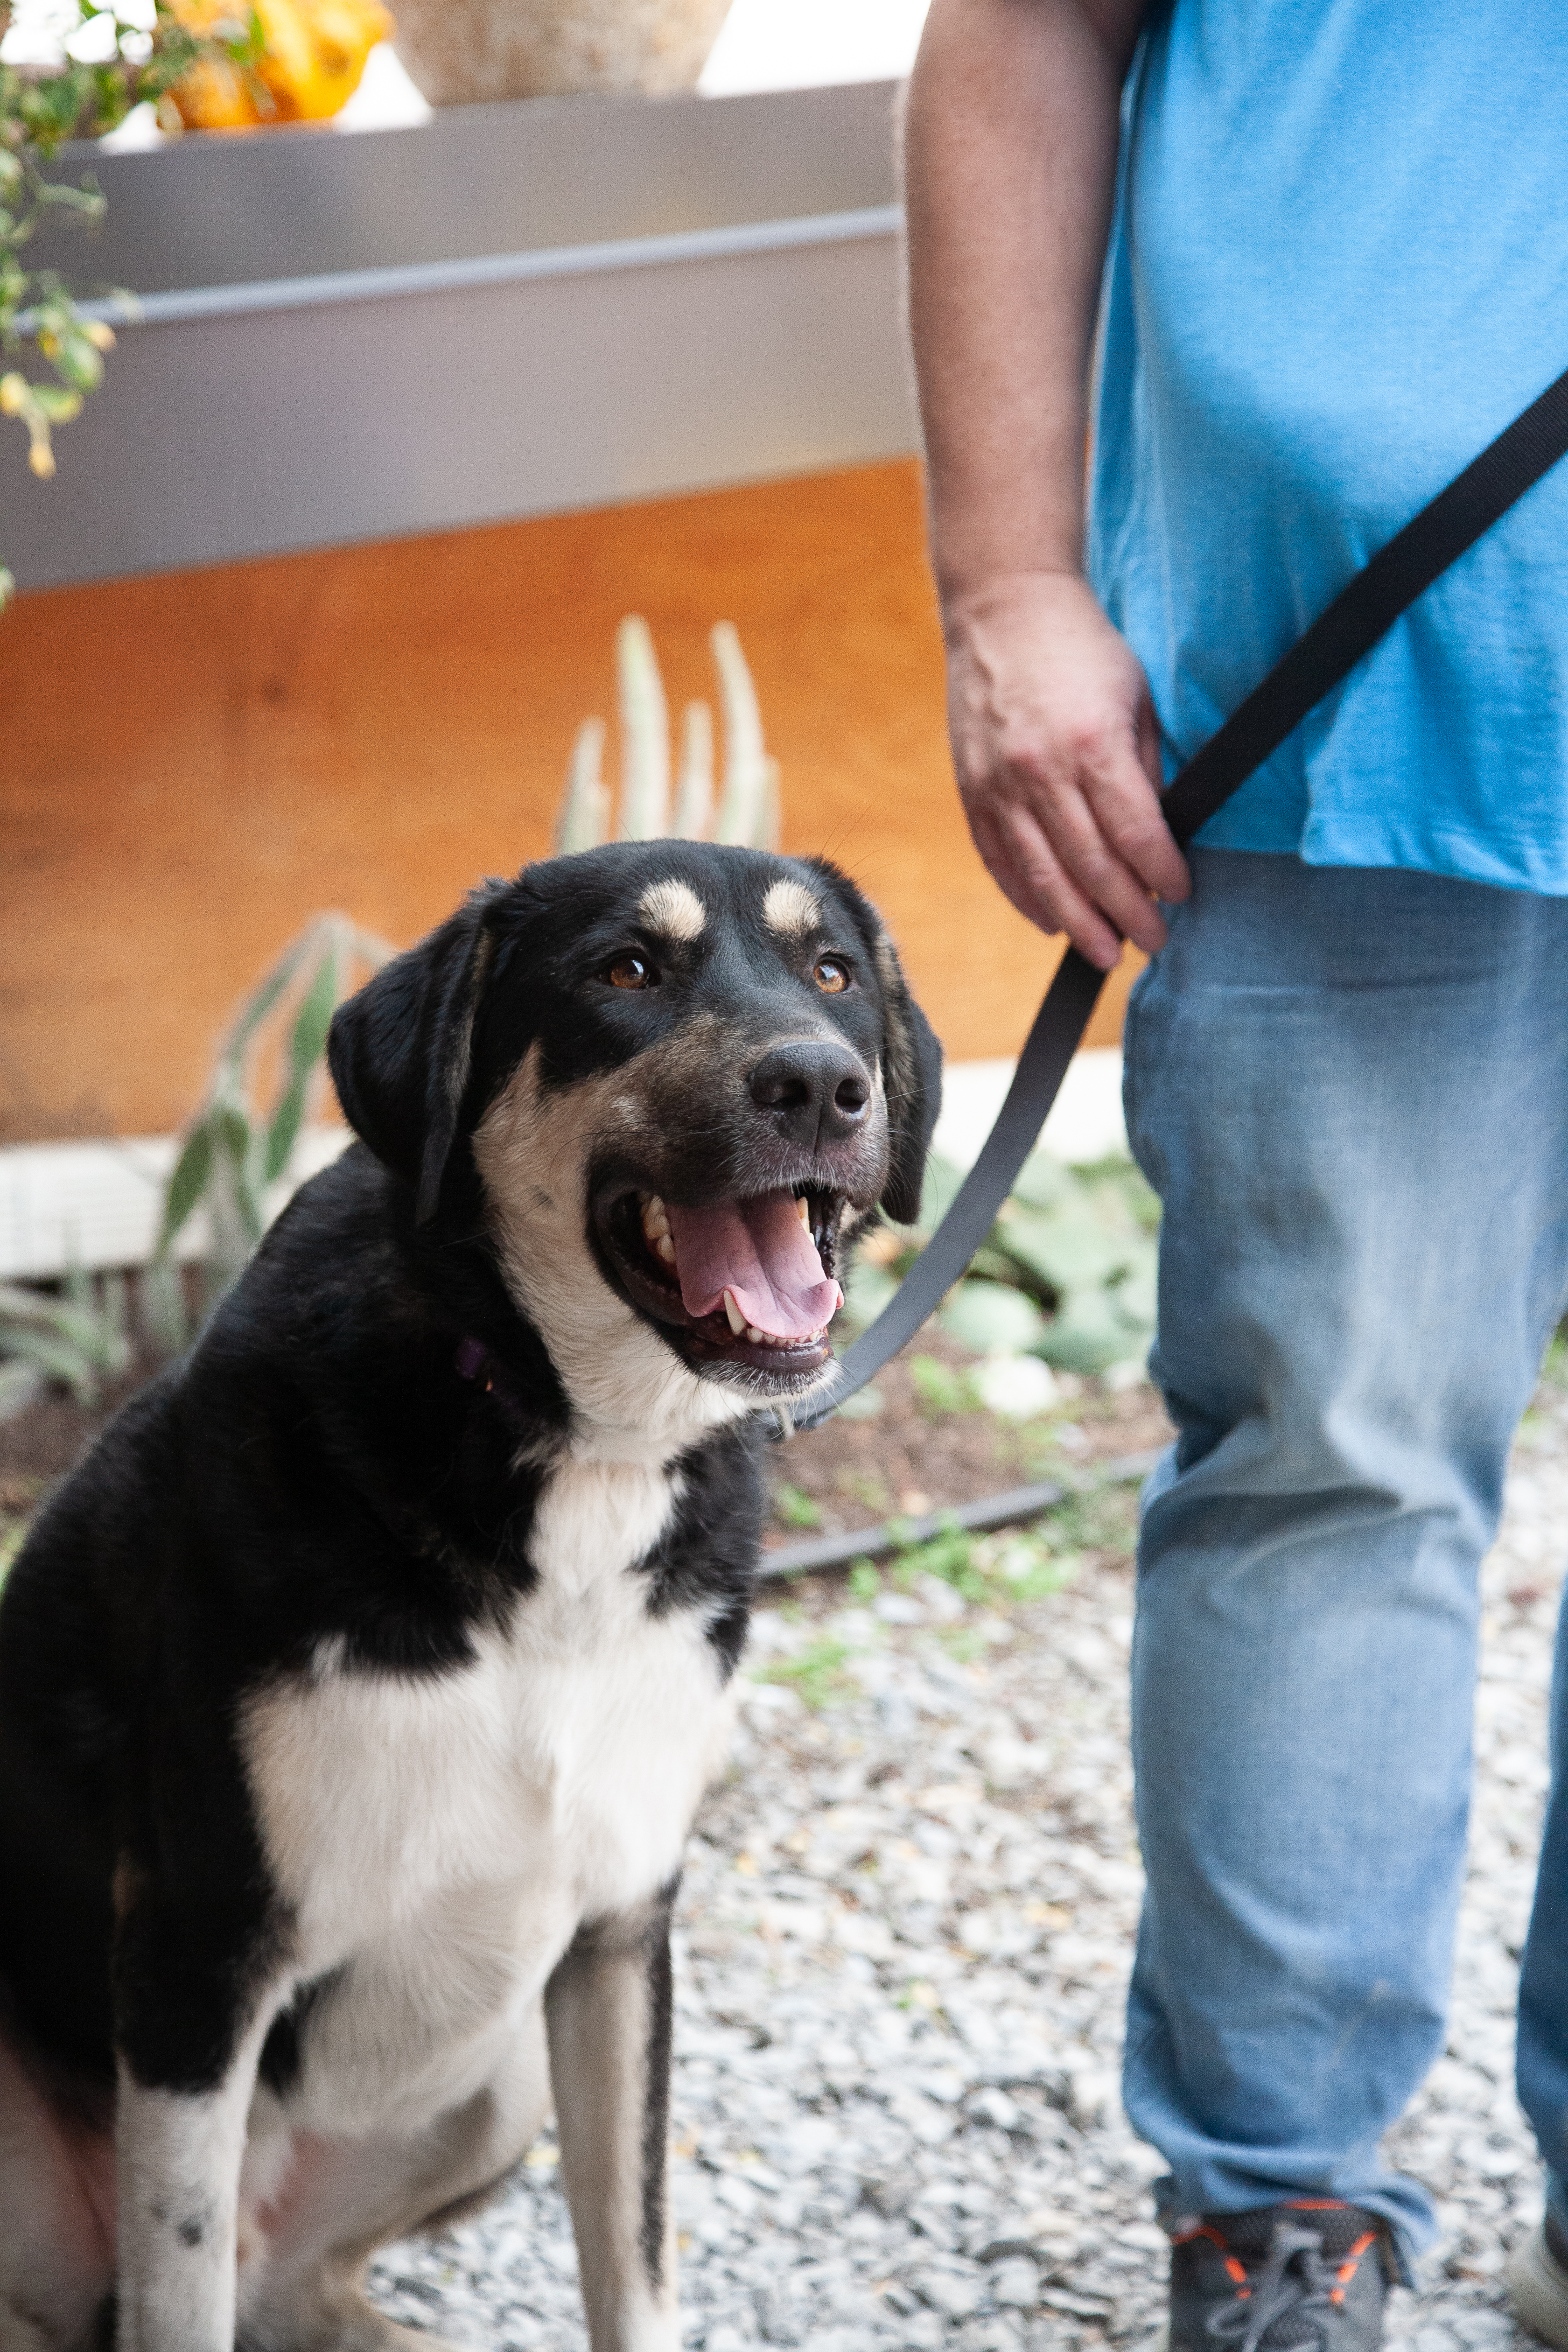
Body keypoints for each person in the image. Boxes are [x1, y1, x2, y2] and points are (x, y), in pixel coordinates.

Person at [902, 4, 1568, 2348]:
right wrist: (1003, 584)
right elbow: (1023, 24)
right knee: (1326, 1467)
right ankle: (1279, 2221)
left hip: (1360, 649)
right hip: (1352, 686)